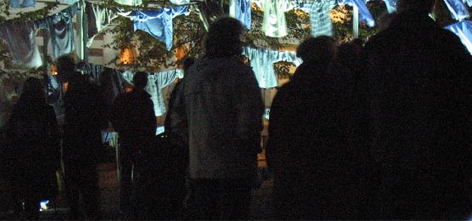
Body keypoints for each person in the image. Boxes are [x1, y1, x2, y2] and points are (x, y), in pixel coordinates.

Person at [359, 0, 472, 219]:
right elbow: (468, 103)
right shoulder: (448, 45)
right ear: (432, 1)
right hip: (440, 160)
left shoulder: (379, 47)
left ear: (400, 0)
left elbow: (360, 105)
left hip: (390, 158)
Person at [168, 17, 264, 220]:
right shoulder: (241, 74)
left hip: (200, 167)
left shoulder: (193, 75)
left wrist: (196, 143)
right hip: (234, 167)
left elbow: (177, 119)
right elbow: (249, 123)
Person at [267, 36, 344, 219]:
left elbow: (275, 132)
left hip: (292, 169)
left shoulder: (288, 92)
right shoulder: (340, 89)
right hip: (330, 169)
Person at [58, 55, 107, 220]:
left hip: (78, 144)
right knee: (89, 184)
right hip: (88, 142)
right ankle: (92, 213)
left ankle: (81, 214)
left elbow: (77, 118)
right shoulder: (87, 85)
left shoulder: (76, 88)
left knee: (77, 184)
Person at [5, 77, 60, 219]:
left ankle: (28, 212)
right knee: (36, 190)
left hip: (24, 157)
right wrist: (55, 156)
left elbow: (10, 134)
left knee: (28, 192)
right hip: (41, 157)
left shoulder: (19, 111)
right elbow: (54, 136)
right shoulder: (46, 110)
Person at [110, 72, 157, 218]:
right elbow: (151, 124)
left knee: (126, 173)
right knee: (140, 173)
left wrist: (122, 130)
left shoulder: (123, 99)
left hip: (127, 140)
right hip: (141, 142)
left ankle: (125, 205)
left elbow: (114, 116)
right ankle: (138, 203)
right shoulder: (146, 101)